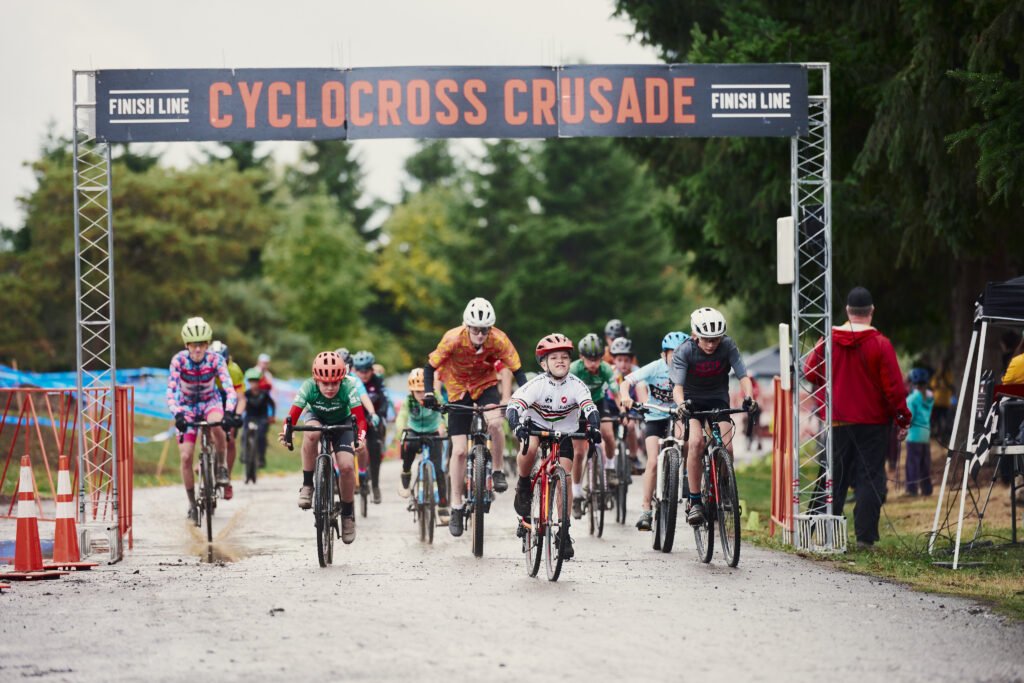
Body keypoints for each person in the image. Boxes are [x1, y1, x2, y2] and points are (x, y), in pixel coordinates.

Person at [804, 287, 910, 549]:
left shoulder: (828, 340)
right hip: (873, 424)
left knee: (833, 477)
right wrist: (902, 419)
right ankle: (865, 538)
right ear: (871, 311)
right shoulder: (881, 344)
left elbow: (809, 371)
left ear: (847, 311)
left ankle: (823, 532)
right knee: (870, 479)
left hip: (838, 421)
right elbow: (894, 388)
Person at [422, 297, 529, 537]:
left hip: (484, 385)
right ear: (467, 326)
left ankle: (498, 470)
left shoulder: (498, 339)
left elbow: (517, 369)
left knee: (496, 423)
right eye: (475, 330)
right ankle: (456, 506)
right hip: (457, 388)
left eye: (484, 330)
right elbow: (430, 367)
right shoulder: (452, 338)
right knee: (459, 450)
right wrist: (429, 393)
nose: (480, 335)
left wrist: (525, 395)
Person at [507, 333, 601, 561]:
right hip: (536, 426)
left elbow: (590, 408)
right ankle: (523, 484)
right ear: (544, 364)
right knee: (529, 448)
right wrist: (516, 425)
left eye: (564, 357)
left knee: (565, 476)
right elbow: (514, 407)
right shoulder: (536, 385)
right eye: (554, 358)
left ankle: (564, 531)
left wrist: (594, 427)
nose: (560, 361)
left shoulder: (577, 385)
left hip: (565, 431)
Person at [671, 308, 757, 526]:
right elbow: (677, 387)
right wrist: (681, 404)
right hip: (691, 401)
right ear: (695, 335)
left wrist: (749, 396)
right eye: (706, 339)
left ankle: (724, 487)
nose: (711, 344)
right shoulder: (685, 351)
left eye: (716, 339)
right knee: (696, 443)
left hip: (718, 398)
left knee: (728, 448)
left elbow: (743, 376)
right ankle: (695, 501)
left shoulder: (728, 346)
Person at [279, 351, 368, 544]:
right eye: (325, 383)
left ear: (341, 379)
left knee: (346, 467)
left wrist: (360, 438)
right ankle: (307, 485)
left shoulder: (349, 387)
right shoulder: (308, 387)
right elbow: (291, 417)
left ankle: (347, 515)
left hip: (343, 422)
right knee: (311, 433)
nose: (330, 388)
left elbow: (360, 420)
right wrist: (288, 432)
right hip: (316, 417)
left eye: (335, 383)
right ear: (316, 379)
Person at [167, 317, 239, 520]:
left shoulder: (216, 360)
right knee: (186, 457)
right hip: (186, 407)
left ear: (207, 344)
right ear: (186, 345)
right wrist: (177, 413)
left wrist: (229, 412)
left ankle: (222, 466)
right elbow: (171, 391)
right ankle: (192, 503)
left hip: (210, 402)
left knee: (218, 425)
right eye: (193, 345)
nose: (197, 349)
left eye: (201, 344)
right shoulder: (179, 361)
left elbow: (229, 389)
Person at [620, 330, 688, 531]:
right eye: (673, 354)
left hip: (678, 415)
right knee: (652, 461)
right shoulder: (655, 367)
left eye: (681, 354)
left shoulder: (689, 369)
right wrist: (626, 396)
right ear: (663, 355)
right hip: (655, 416)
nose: (677, 358)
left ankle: (683, 474)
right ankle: (646, 510)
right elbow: (626, 382)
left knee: (684, 438)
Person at [570, 332, 619, 518]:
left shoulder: (605, 369)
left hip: (598, 403)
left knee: (608, 434)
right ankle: (576, 495)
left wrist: (622, 407)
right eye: (589, 359)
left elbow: (615, 391)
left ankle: (610, 468)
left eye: (597, 359)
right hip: (577, 407)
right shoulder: (574, 370)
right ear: (581, 357)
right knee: (578, 453)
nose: (593, 363)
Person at [396, 368, 450, 524]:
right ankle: (406, 473)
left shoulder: (436, 397)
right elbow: (402, 416)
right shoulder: (408, 400)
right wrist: (401, 430)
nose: (420, 394)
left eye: (423, 390)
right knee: (408, 446)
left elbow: (445, 412)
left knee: (439, 470)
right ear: (411, 391)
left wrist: (445, 425)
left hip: (433, 431)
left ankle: (443, 506)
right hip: (414, 430)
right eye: (417, 391)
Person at [210, 340, 246, 500]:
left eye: (222, 362)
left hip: (229, 404)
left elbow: (241, 398)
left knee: (229, 440)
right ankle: (204, 457)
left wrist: (237, 415)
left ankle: (227, 479)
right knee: (205, 428)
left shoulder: (234, 370)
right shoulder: (205, 367)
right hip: (211, 403)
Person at [352, 350, 388, 504]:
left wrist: (379, 415)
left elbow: (384, 401)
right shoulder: (350, 382)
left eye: (367, 370)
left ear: (372, 369)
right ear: (355, 370)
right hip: (355, 419)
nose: (364, 374)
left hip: (373, 419)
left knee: (374, 448)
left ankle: (375, 485)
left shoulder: (377, 381)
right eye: (360, 370)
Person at [608, 337, 642, 469]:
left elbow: (641, 393)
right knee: (608, 430)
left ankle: (633, 456)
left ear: (631, 360)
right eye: (619, 360)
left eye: (626, 360)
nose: (623, 364)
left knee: (631, 426)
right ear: (613, 360)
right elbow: (610, 395)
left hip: (631, 405)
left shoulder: (637, 372)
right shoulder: (610, 373)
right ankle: (608, 462)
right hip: (613, 405)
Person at [905, 368, 934, 496]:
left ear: (912, 382)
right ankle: (927, 489)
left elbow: (909, 418)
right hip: (925, 435)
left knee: (912, 464)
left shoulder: (911, 399)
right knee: (925, 464)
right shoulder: (930, 397)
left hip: (914, 436)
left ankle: (912, 489)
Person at [242, 367, 275, 469]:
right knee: (244, 434)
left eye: (256, 381)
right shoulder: (246, 394)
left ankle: (261, 458)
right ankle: (244, 454)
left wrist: (272, 416)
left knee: (261, 436)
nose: (254, 384)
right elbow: (241, 403)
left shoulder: (264, 394)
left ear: (259, 382)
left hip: (262, 418)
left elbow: (272, 404)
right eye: (251, 381)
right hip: (249, 417)